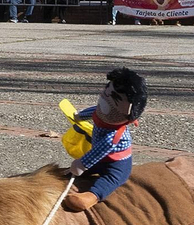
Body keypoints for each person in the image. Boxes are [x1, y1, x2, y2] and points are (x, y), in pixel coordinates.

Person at [61, 68, 147, 212]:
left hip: (117, 165)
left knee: (110, 180)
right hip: (101, 160)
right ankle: (73, 172)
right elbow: (95, 111)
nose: (106, 98)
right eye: (106, 92)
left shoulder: (113, 136)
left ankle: (92, 196)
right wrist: (80, 116)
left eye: (114, 98)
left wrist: (81, 164)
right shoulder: (102, 111)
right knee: (86, 169)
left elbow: (97, 152)